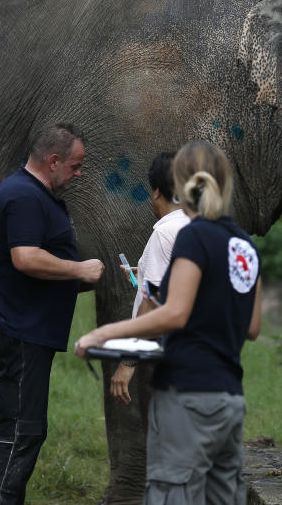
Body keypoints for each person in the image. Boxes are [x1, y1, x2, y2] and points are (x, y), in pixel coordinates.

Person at [76, 140, 263, 505]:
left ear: (180, 186)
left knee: (172, 495)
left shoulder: (191, 236)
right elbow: (252, 326)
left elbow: (174, 313)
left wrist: (104, 332)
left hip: (187, 394)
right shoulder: (244, 244)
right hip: (230, 399)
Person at [0, 122, 104, 504]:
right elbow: (25, 257)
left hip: (29, 329)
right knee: (20, 428)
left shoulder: (33, 195)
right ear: (53, 161)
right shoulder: (23, 195)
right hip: (20, 328)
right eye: (75, 165)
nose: (78, 173)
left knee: (25, 428)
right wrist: (79, 269)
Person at [110, 151, 190, 405]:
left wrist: (128, 362)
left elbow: (152, 298)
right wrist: (144, 271)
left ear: (156, 192)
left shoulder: (164, 233)